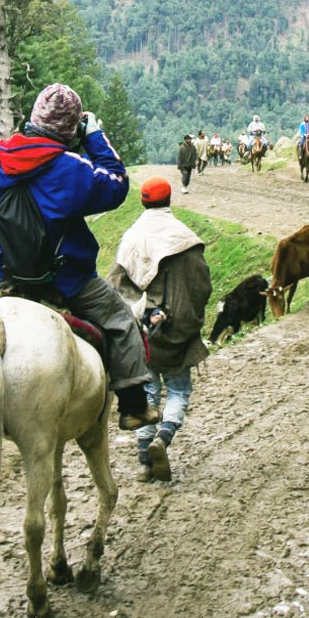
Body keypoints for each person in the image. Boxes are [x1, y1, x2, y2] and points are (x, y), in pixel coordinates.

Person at [0, 83, 158, 429]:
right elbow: (116, 184)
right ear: (72, 128)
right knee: (120, 320)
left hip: (6, 278)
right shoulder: (69, 167)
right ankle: (133, 404)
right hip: (65, 280)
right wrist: (94, 138)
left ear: (33, 117)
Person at [108, 178, 214, 483]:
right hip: (179, 330)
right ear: (169, 200)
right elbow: (201, 287)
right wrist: (188, 318)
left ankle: (144, 461)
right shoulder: (186, 238)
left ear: (143, 201)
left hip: (144, 332)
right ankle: (163, 439)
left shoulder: (131, 238)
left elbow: (118, 288)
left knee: (147, 392)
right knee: (179, 390)